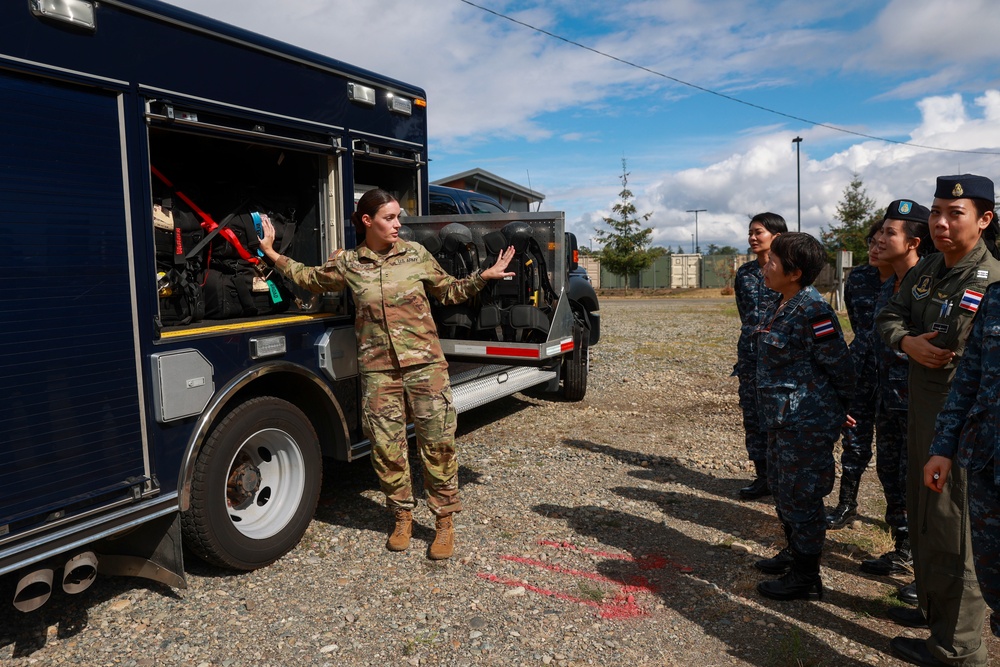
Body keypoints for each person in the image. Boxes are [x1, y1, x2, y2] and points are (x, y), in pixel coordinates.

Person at [258, 188, 516, 560]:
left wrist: (484, 277)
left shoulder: (415, 254)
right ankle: (401, 516)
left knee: (437, 443)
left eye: (398, 217)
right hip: (380, 373)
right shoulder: (349, 263)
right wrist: (271, 253)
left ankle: (444, 521)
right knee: (386, 448)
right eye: (390, 218)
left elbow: (447, 291)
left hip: (425, 367)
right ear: (368, 222)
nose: (398, 224)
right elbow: (309, 277)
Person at [876, 175, 1000, 667]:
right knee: (925, 518)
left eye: (955, 213)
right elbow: (889, 316)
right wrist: (908, 343)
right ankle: (936, 616)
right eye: (936, 213)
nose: (941, 223)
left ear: (985, 220)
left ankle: (959, 650)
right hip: (924, 415)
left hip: (966, 427)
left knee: (957, 532)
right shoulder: (926, 268)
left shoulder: (992, 279)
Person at [752, 232, 856, 601]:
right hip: (782, 420)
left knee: (803, 496)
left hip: (806, 423)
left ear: (794, 272)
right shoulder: (780, 302)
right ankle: (795, 553)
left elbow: (841, 368)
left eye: (773, 263)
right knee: (783, 491)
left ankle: (806, 577)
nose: (765, 266)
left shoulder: (813, 311)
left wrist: (840, 410)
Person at [860, 200, 931, 602]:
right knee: (893, 475)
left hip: (920, 405)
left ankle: (930, 572)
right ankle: (905, 548)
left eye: (890, 232)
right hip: (890, 400)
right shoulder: (890, 284)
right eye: (880, 231)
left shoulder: (931, 284)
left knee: (925, 489)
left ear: (913, 242)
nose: (879, 238)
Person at [925, 280, 1000, 646]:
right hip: (988, 462)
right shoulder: (996, 297)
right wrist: (943, 446)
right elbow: (969, 379)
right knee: (995, 585)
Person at [826, 222, 893, 529]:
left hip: (897, 373)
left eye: (883, 242)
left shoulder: (914, 280)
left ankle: (899, 521)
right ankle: (846, 503)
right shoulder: (860, 278)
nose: (875, 248)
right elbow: (857, 323)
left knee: (896, 453)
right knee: (854, 441)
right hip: (861, 369)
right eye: (872, 243)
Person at [733, 212, 788, 500]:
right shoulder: (744, 273)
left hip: (779, 359)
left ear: (776, 237)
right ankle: (762, 477)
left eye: (759, 233)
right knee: (753, 418)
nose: (753, 238)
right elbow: (745, 313)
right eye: (750, 233)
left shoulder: (790, 271)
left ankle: (783, 479)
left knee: (779, 419)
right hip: (751, 357)